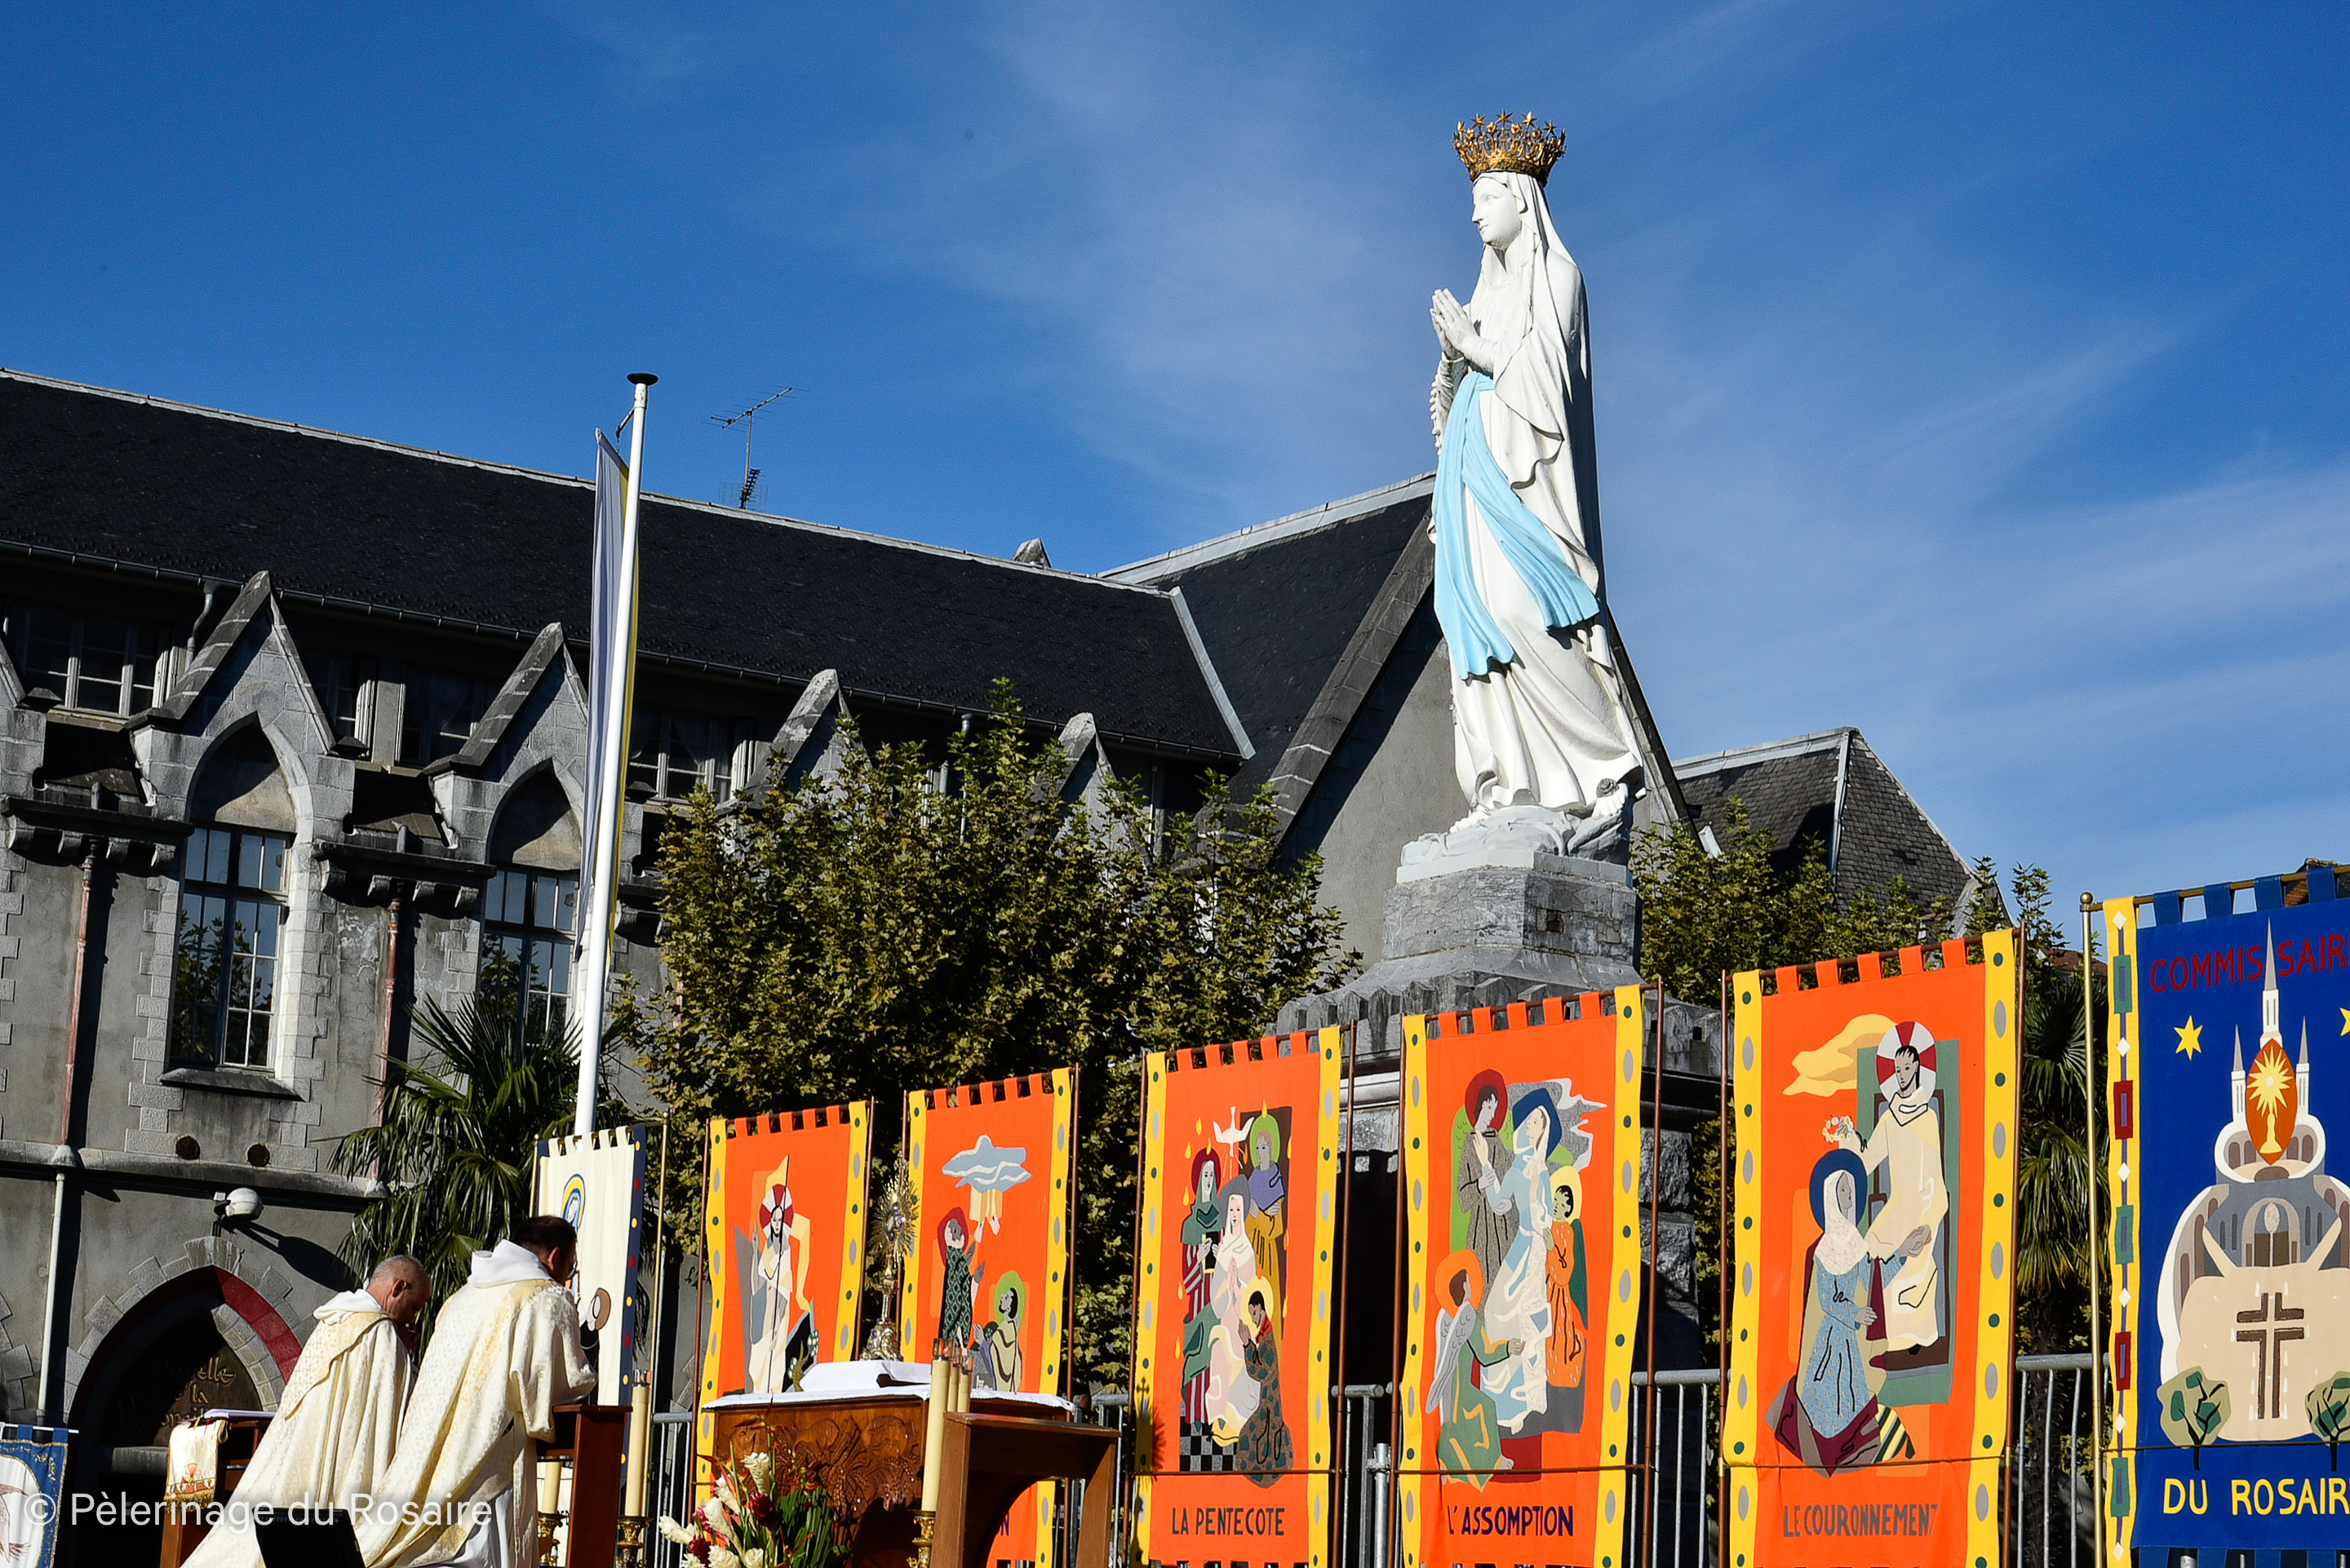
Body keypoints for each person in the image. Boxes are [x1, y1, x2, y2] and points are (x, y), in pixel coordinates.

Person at [1425, 124, 1641, 841]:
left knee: (1525, 612)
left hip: (1528, 483)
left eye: (1486, 197)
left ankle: (1601, 767)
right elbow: (1457, 391)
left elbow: (1548, 381)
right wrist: (1452, 358)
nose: (1475, 214)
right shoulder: (1487, 289)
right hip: (1471, 472)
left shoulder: (1558, 277)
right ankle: (1507, 786)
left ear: (1521, 197)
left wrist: (1473, 346)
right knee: (1476, 623)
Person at [356, 1216, 594, 1568]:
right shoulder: (546, 1297)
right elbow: (559, 1388)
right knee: (480, 1550)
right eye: (570, 1266)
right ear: (555, 1257)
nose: (567, 1276)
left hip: (428, 1460)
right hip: (492, 1462)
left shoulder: (461, 1298)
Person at [183, 1258, 431, 1567]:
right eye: (414, 1307)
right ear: (398, 1288)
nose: (412, 1318)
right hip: (340, 1475)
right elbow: (405, 1405)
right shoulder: (380, 1334)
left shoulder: (334, 1320)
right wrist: (404, 1353)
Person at [1770, 1153, 1887, 1477]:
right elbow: (1826, 1299)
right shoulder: (1823, 1250)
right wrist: (1854, 1313)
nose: (1849, 1197)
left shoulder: (1858, 1245)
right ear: (1831, 1198)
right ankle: (1823, 1454)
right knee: (1828, 1400)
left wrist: (1903, 1253)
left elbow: (1873, 1277)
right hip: (1830, 1341)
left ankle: (1853, 1456)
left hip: (1851, 1343)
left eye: (1850, 1190)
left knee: (1854, 1396)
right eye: (1843, 1191)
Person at [1837, 1031, 1947, 1356]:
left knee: (1913, 1264)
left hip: (1923, 1205)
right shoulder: (1891, 1117)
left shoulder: (1927, 1118)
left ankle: (1913, 1336)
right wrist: (1849, 1138)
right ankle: (1881, 1335)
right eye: (1897, 1070)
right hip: (1897, 1205)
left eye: (1907, 1069)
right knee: (1871, 1249)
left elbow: (1934, 1175)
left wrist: (1928, 1218)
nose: (1901, 1075)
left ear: (1918, 1069)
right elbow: (1868, 1159)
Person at [1481, 1097, 1558, 1432]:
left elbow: (1548, 1218)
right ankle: (1501, 1400)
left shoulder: (1543, 1172)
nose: (1530, 1126)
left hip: (1535, 1251)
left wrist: (1545, 1228)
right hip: (1521, 1247)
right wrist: (1486, 1165)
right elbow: (1500, 1203)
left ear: (1543, 1132)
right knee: (1494, 1311)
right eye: (1529, 1121)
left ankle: (1523, 1403)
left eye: (1537, 1123)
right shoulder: (1517, 1167)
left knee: (1526, 1320)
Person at [1428, 1263, 1514, 1486]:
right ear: (1463, 1286)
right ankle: (1494, 1461)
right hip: (1460, 1388)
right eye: (1468, 1281)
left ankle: (1449, 1464)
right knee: (1486, 1405)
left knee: (1453, 1423)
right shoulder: (1468, 1317)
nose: (1472, 1285)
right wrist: (1508, 1348)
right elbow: (1486, 1354)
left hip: (1448, 1389)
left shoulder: (1446, 1317)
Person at [743, 1163, 814, 1394]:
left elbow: (784, 1286)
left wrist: (793, 1296)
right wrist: (755, 1252)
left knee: (776, 1352)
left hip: (779, 1308)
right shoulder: (767, 1249)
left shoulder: (786, 1249)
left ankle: (772, 1391)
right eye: (773, 1220)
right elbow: (758, 1282)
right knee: (759, 1355)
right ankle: (759, 1391)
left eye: (780, 1220)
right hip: (764, 1308)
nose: (776, 1224)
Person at [1453, 1073, 1515, 1291]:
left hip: (1501, 1220)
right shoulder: (1471, 1142)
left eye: (1495, 1109)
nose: (1492, 1114)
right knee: (1482, 1272)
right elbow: (1462, 1191)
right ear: (1480, 1106)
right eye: (1489, 1108)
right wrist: (1480, 1184)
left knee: (1504, 1272)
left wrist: (1508, 1200)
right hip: (1481, 1221)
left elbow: (1509, 1175)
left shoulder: (1495, 1139)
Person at [1177, 1149, 1223, 1423]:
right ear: (1197, 1179)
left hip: (1218, 1303)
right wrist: (1198, 1257)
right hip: (1198, 1305)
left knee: (1218, 1358)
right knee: (1197, 1359)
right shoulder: (1190, 1225)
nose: (1208, 1180)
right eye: (1205, 1175)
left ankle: (1215, 1420)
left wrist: (1220, 1257)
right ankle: (1195, 1418)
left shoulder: (1221, 1219)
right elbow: (1187, 1279)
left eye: (1212, 1175)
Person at [1541, 1163, 1588, 1428]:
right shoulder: (1546, 1225)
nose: (1557, 1207)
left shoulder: (1567, 1232)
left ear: (1569, 1209)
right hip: (1542, 1291)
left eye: (1562, 1204)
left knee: (1557, 1344)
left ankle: (1557, 1402)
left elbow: (1564, 1272)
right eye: (1555, 1202)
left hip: (1557, 1297)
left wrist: (1551, 1248)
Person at [1232, 1287, 1292, 1486]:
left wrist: (1247, 1344)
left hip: (1270, 1403)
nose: (1254, 1318)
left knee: (1255, 1434)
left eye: (1254, 1313)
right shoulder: (1264, 1336)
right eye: (1251, 1315)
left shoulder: (1268, 1339)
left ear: (1261, 1308)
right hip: (1267, 1400)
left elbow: (1261, 1372)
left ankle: (1265, 1476)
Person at [1241, 1114, 1287, 1340]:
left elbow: (1274, 1229)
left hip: (1267, 1256)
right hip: (1251, 1251)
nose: (1260, 1153)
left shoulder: (1276, 1183)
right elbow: (1247, 1223)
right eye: (1257, 1148)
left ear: (1272, 1148)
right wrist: (1258, 1215)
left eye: (1263, 1147)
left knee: (1269, 1304)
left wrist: (1258, 1213)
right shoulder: (1253, 1180)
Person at [935, 1207, 984, 1357]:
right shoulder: (952, 1259)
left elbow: (965, 1287)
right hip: (953, 1325)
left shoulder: (959, 1261)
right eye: (955, 1229)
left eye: (959, 1228)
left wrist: (975, 1280)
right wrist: (973, 1278)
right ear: (948, 1236)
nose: (960, 1232)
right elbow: (956, 1288)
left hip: (959, 1325)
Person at [975, 1273, 1024, 1393]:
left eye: (1006, 1297)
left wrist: (983, 1342)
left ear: (1009, 1308)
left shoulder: (1007, 1331)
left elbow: (998, 1366)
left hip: (1002, 1391)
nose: (1002, 1297)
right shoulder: (1006, 1328)